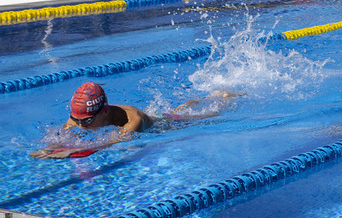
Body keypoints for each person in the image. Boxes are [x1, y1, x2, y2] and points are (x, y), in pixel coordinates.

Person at [31, 83, 235, 158]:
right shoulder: (80, 115)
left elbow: (111, 143)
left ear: (104, 111)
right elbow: (64, 132)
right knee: (175, 110)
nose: (81, 125)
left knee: (202, 117)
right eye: (77, 120)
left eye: (86, 121)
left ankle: (225, 98)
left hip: (161, 125)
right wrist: (49, 148)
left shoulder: (133, 122)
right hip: (150, 116)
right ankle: (197, 100)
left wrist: (74, 151)